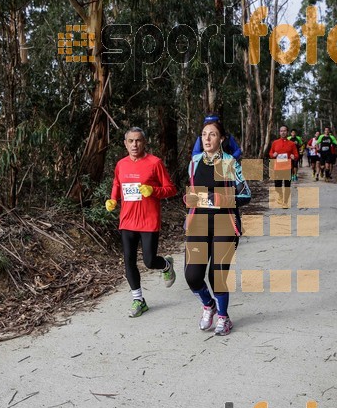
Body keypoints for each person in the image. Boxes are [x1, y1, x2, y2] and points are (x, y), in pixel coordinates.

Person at [184, 120, 248, 336]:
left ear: (221, 139)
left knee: (217, 275)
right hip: (198, 224)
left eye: (212, 135)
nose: (207, 139)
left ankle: (223, 317)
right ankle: (208, 305)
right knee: (192, 276)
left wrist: (219, 198)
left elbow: (246, 194)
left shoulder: (231, 162)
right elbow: (193, 192)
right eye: (204, 135)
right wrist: (190, 198)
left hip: (225, 225)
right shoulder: (193, 162)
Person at [106, 127, 177, 317]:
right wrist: (113, 199)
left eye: (138, 141)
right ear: (125, 143)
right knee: (128, 261)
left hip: (148, 220)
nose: (134, 145)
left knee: (149, 261)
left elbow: (171, 189)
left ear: (144, 142)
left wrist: (154, 191)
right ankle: (138, 300)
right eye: (131, 141)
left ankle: (165, 265)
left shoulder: (155, 163)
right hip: (127, 220)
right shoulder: (121, 164)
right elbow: (117, 184)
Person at [269, 125, 299, 207]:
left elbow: (296, 155)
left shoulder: (292, 144)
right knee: (277, 185)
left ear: (287, 132)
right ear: (279, 132)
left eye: (284, 131)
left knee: (287, 185)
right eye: (281, 131)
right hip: (278, 167)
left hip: (288, 167)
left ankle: (285, 202)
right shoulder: (275, 143)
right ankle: (280, 196)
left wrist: (294, 157)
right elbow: (270, 153)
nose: (283, 132)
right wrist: (273, 155)